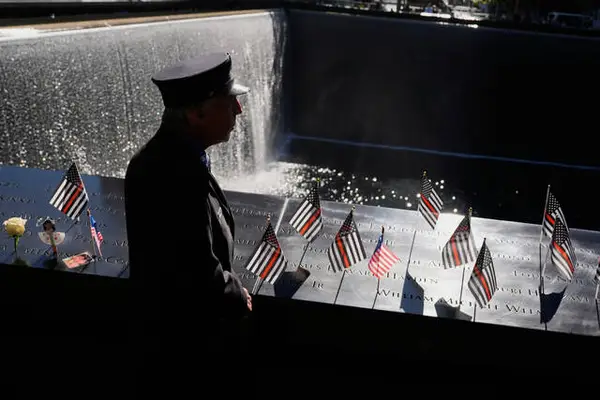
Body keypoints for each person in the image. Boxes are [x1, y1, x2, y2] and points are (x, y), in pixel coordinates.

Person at [124, 53, 253, 385]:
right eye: (229, 102)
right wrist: (237, 295)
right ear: (197, 114)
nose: (239, 110)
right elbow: (195, 270)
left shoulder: (174, 157)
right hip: (185, 352)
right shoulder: (171, 174)